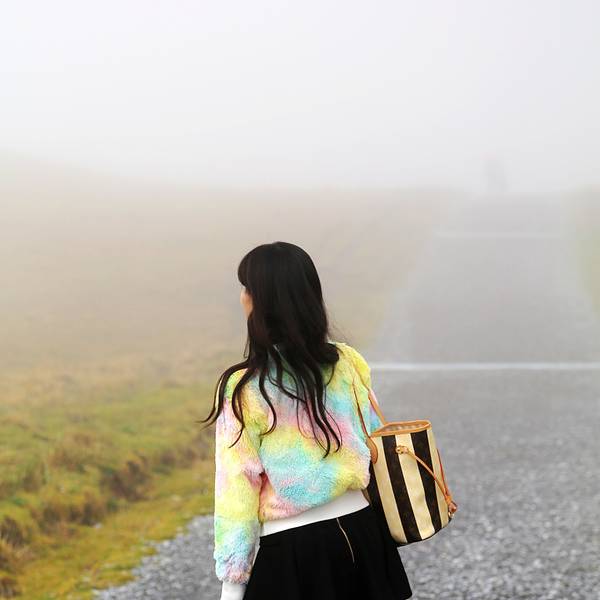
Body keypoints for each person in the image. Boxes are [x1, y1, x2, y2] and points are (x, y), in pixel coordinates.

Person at [201, 241, 413, 600]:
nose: (242, 297)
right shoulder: (346, 362)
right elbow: (373, 441)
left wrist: (232, 586)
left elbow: (237, 489)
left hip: (296, 550)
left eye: (246, 288)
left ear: (260, 300)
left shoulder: (244, 387)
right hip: (364, 534)